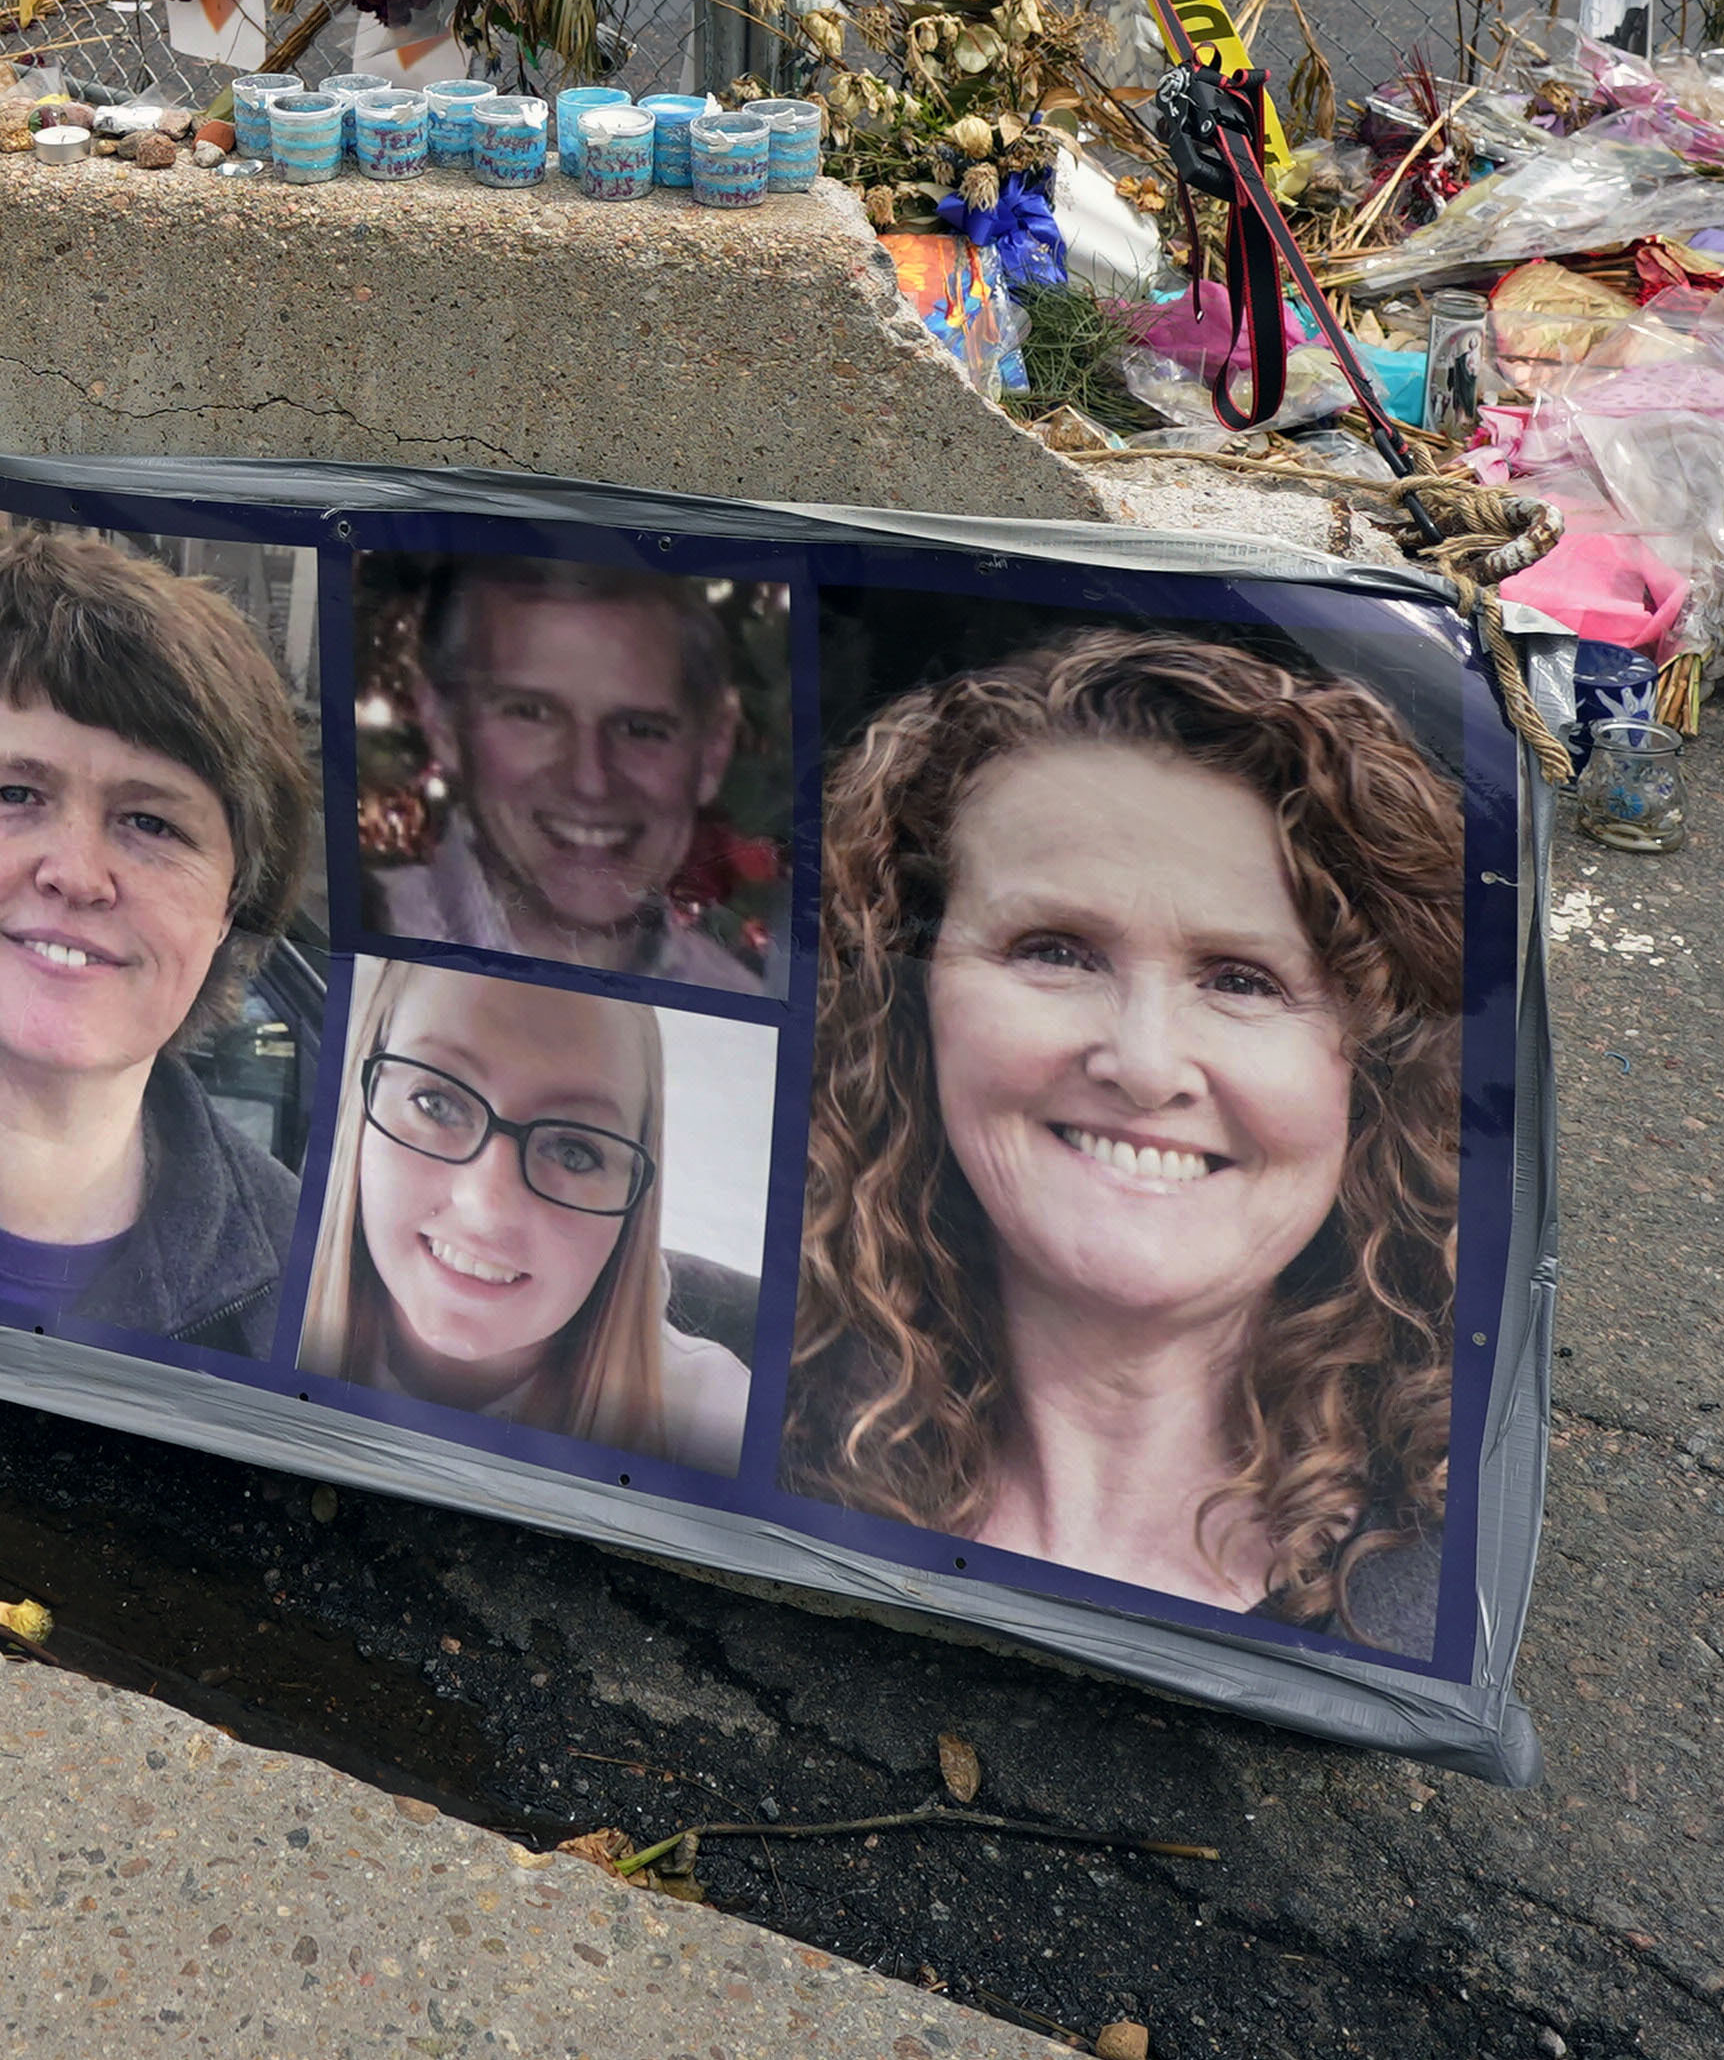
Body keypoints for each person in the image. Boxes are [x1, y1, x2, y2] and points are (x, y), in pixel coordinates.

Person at [786, 629, 1465, 1647]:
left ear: (1371, 1074)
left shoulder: (1439, 1585)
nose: (1145, 1065)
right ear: (904, 1001)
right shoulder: (723, 1408)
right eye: (1054, 951)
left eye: (1242, 979)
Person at [0, 525, 322, 1350]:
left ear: (232, 901)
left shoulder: (312, 1288)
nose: (77, 874)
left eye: (151, 821)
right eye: (14, 793)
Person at [295, 962, 748, 1470]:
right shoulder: (246, 1317)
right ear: (363, 1101)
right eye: (436, 1103)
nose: (487, 1209)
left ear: (635, 1204)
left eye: (574, 1153)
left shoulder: (719, 1427)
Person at [374, 562, 779, 993]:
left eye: (641, 729)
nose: (591, 782)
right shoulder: (341, 940)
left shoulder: (740, 999)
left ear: (713, 752)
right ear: (442, 726)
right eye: (532, 713)